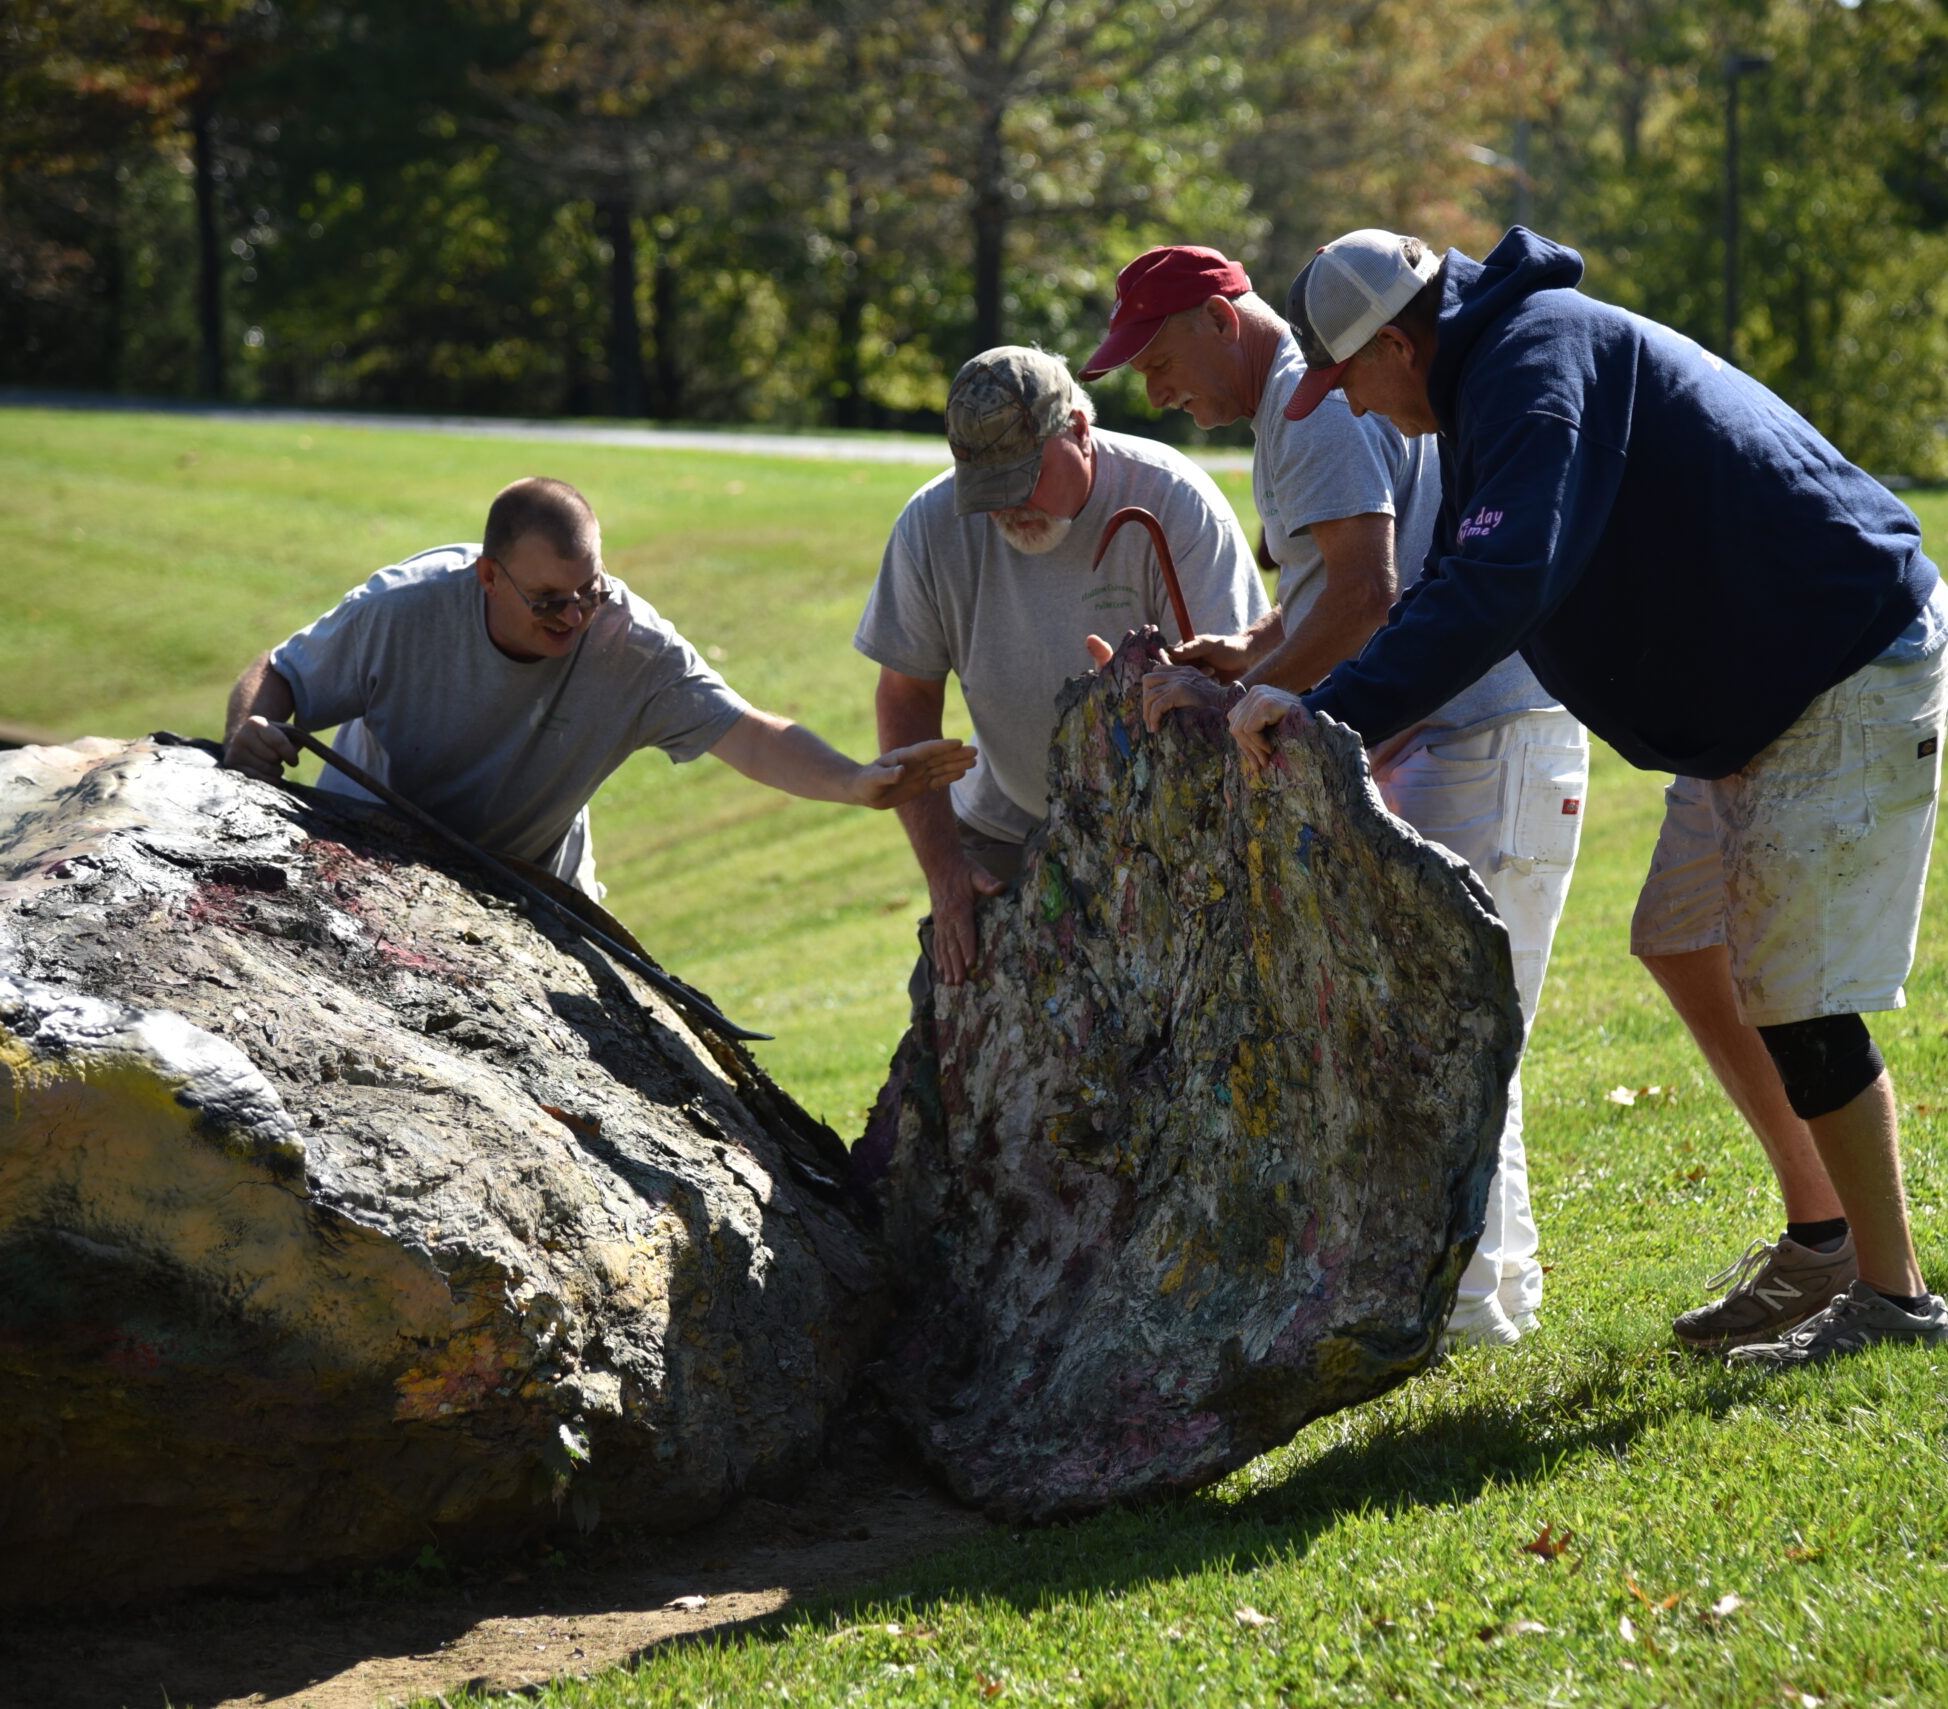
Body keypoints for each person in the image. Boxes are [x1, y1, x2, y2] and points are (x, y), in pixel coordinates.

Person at [1233, 227, 1948, 1369]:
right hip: (1756, 691)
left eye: (1353, 381)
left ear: (1394, 342)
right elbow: (1469, 578)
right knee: (1684, 939)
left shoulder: (1532, 361)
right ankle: (1824, 1237)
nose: (1361, 410)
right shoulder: (1497, 375)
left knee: (1799, 994)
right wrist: (1334, 694)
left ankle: (1894, 1297)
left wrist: (1333, 716)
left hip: (1837, 656)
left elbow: (1502, 580)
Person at [1077, 243, 1586, 1350]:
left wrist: (1239, 696)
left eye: (1160, 358)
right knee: (1470, 1033)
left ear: (1221, 317)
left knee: (1443, 1037)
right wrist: (1254, 644)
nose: (1157, 392)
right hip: (1489, 739)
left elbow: (1365, 597)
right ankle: (1490, 1307)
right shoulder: (1293, 406)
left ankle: (1460, 1318)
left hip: (1473, 743)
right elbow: (1336, 593)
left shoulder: (1302, 410)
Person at [223, 476, 973, 892]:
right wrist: (249, 731)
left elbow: (747, 732)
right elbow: (281, 672)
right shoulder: (406, 608)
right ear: (488, 576)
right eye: (549, 600)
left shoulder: (628, 644)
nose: (575, 616)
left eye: (590, 589)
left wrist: (853, 782)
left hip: (531, 885)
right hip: (370, 857)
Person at [856, 346, 1266, 984]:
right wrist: (944, 872)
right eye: (986, 488)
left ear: (1078, 429)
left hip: (1162, 827)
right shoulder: (932, 527)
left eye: (1022, 478)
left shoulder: (1173, 500)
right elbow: (906, 701)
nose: (1007, 507)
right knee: (966, 1016)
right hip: (1005, 820)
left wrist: (1146, 690)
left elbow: (1242, 688)